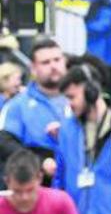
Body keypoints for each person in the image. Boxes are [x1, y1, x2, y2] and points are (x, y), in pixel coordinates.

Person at [54, 63, 111, 214]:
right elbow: (60, 176)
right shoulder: (66, 129)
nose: (69, 104)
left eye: (72, 97)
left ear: (90, 90)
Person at [0, 36, 68, 179]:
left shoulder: (80, 97)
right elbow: (5, 144)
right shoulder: (17, 105)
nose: (53, 66)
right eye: (45, 62)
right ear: (33, 68)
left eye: (57, 60)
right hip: (38, 182)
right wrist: (39, 162)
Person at [0, 148, 85, 214]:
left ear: (39, 178)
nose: (24, 197)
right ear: (7, 182)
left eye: (30, 190)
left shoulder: (59, 202)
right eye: (17, 191)